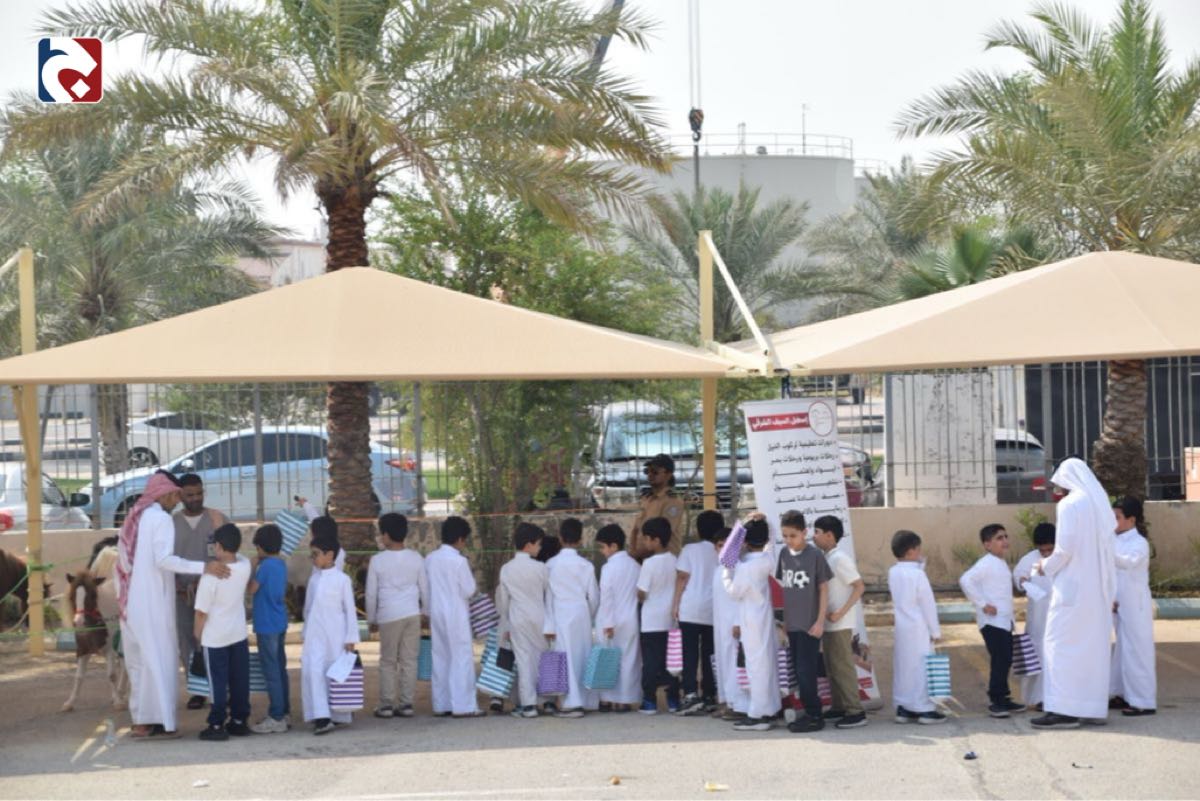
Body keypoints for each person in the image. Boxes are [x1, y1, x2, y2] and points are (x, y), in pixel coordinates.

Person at [116, 470, 230, 741]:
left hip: (133, 600)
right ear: (165, 493)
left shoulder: (137, 516)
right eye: (176, 495)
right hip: (153, 600)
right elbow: (164, 560)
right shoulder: (160, 519)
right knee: (159, 660)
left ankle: (144, 721)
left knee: (140, 662)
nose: (178, 501)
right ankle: (163, 723)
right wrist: (204, 567)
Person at [1032, 458, 1117, 729]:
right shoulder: (1097, 504)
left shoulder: (1070, 504)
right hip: (1096, 592)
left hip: (1072, 591)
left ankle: (1063, 710)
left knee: (1058, 646)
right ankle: (1090, 707)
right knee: (1091, 649)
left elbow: (1064, 550)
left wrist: (1044, 566)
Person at [172, 473, 229, 710]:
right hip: (181, 594)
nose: (195, 499)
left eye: (199, 493)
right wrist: (176, 585)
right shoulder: (171, 523)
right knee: (187, 641)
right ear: (179, 495)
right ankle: (197, 690)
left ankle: (222, 689)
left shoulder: (217, 519)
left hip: (213, 594)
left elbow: (230, 554)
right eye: (190, 495)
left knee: (216, 640)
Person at [959, 524, 1025, 718]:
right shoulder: (986, 563)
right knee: (1000, 660)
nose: (1004, 541)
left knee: (1005, 659)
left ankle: (1003, 697)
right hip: (992, 622)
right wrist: (982, 604)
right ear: (987, 544)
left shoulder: (1000, 562)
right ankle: (996, 700)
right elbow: (966, 580)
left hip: (1004, 621)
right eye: (999, 538)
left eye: (1005, 536)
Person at [194, 523, 253, 741]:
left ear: (218, 546)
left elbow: (201, 613)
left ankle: (217, 723)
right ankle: (239, 720)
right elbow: (241, 556)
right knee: (239, 680)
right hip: (238, 634)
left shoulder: (210, 578)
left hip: (214, 638)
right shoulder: (244, 566)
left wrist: (197, 635)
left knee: (217, 682)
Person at [722, 516, 781, 732]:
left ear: (745, 541)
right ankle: (770, 709)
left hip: (751, 620)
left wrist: (726, 573)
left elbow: (733, 591)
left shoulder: (745, 567)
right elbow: (772, 539)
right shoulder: (768, 559)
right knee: (767, 664)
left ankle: (758, 715)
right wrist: (766, 521)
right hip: (765, 617)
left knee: (756, 667)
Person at [775, 510, 832, 733]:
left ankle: (815, 715)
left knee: (806, 671)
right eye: (785, 536)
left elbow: (823, 589)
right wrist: (784, 622)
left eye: (793, 535)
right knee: (798, 672)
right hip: (792, 625)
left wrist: (820, 622)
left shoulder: (815, 555)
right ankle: (808, 711)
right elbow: (785, 590)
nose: (789, 540)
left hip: (810, 626)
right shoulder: (783, 554)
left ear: (804, 533)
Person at [367, 512, 427, 720]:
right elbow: (424, 588)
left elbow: (371, 593)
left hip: (388, 615)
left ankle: (386, 704)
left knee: (388, 661)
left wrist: (371, 619)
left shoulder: (377, 561)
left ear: (386, 535)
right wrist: (425, 612)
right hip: (412, 613)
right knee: (409, 660)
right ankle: (406, 703)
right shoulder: (416, 558)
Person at [812, 515, 867, 729]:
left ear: (829, 535)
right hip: (828, 623)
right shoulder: (827, 557)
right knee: (832, 667)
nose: (814, 536)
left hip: (840, 624)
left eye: (817, 532)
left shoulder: (840, 559)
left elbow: (859, 586)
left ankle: (856, 711)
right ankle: (839, 706)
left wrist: (840, 613)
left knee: (842, 667)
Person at [301, 534, 359, 735]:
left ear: (330, 555)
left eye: (316, 554)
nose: (313, 558)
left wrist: (351, 637)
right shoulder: (313, 580)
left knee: (334, 673)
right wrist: (306, 632)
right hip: (314, 635)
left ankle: (338, 714)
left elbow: (350, 610)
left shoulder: (343, 580)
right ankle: (321, 717)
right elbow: (308, 609)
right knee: (314, 671)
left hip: (336, 636)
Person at [424, 516, 480, 717]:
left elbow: (426, 588)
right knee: (461, 656)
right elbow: (469, 590)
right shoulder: (459, 561)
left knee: (440, 656)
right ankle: (463, 705)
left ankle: (442, 704)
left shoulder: (430, 559)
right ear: (460, 539)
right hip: (456, 612)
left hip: (436, 611)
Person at [887, 529, 945, 725]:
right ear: (911, 551)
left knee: (904, 667)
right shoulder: (918, 575)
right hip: (919, 627)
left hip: (902, 628)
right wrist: (935, 631)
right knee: (922, 666)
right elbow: (927, 604)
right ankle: (924, 708)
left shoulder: (893, 572)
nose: (920, 553)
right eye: (918, 550)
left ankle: (903, 707)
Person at [544, 518, 600, 717]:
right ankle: (586, 700)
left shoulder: (550, 564)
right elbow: (594, 597)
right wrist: (588, 614)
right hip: (581, 612)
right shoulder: (586, 565)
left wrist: (548, 624)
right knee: (583, 655)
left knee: (563, 657)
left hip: (560, 612)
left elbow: (548, 597)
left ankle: (570, 702)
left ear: (560, 537)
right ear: (581, 539)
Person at [496, 522, 552, 719]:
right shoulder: (541, 568)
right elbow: (548, 595)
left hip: (518, 617)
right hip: (540, 615)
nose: (540, 547)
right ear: (529, 545)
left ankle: (528, 705)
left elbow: (504, 601)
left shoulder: (506, 569)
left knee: (524, 660)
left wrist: (506, 621)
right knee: (542, 657)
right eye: (538, 544)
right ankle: (546, 700)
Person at [1110, 497, 1156, 716]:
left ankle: (1142, 701)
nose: (1113, 521)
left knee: (1137, 651)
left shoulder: (1139, 543)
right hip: (1117, 604)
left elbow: (1126, 562)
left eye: (1117, 517)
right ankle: (1121, 693)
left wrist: (1105, 552)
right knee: (1121, 650)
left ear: (1131, 519)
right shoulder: (1112, 539)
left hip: (1135, 605)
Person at [673, 509, 721, 715]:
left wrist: (675, 605)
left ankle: (691, 694)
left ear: (698, 529)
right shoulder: (721, 550)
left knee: (689, 653)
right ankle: (710, 695)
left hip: (690, 608)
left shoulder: (689, 549)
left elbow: (682, 578)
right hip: (713, 609)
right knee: (710, 653)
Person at [248, 524, 291, 734]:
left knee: (271, 670)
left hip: (266, 624)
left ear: (261, 547)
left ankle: (276, 716)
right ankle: (284, 711)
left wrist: (251, 568)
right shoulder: (281, 564)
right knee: (280, 668)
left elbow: (252, 589)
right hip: (279, 621)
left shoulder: (264, 567)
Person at [595, 523, 642, 713]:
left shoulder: (608, 568)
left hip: (610, 620)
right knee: (629, 659)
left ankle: (606, 699)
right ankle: (625, 700)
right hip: (630, 618)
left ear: (613, 546)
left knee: (607, 659)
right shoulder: (635, 566)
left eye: (603, 547)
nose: (601, 551)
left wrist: (607, 622)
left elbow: (606, 597)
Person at [636, 517, 680, 714]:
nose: (644, 542)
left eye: (646, 538)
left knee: (651, 663)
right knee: (673, 661)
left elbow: (642, 592)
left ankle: (649, 701)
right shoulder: (676, 561)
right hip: (671, 620)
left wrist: (639, 595)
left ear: (655, 540)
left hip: (651, 621)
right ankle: (673, 700)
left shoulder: (649, 563)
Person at [1013, 522, 1055, 710]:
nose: (1045, 553)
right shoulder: (1029, 559)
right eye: (1042, 550)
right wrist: (1022, 581)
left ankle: (1056, 698)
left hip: (1059, 619)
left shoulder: (1063, 559)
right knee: (1037, 658)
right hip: (1037, 621)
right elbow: (1018, 576)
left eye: (1049, 550)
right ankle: (1037, 699)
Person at [711, 526, 748, 721]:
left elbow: (741, 597)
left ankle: (739, 705)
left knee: (735, 665)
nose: (723, 549)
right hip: (720, 626)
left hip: (734, 626)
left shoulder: (738, 567)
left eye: (727, 545)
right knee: (723, 664)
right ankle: (727, 702)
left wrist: (737, 622)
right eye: (720, 546)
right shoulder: (719, 569)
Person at [629, 454, 687, 557]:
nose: (650, 475)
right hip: (642, 558)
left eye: (655, 472)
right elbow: (635, 530)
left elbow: (662, 536)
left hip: (663, 560)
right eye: (647, 471)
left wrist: (636, 555)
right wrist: (633, 552)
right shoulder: (647, 498)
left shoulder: (673, 501)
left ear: (668, 474)